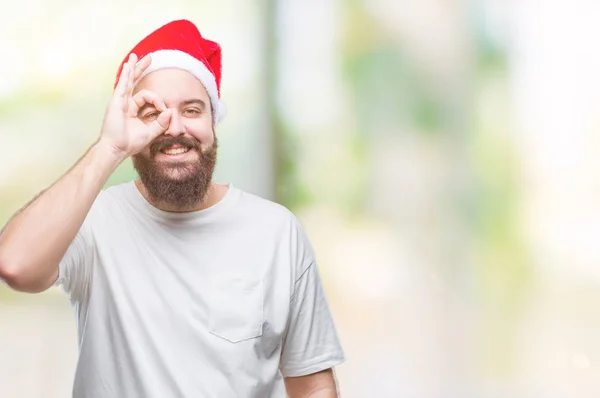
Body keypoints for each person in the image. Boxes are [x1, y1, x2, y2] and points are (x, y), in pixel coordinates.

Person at [0, 19, 345, 397]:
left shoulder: (277, 231)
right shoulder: (93, 221)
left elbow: (312, 385)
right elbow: (15, 265)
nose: (173, 127)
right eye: (152, 113)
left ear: (214, 122)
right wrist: (108, 149)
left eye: (193, 110)